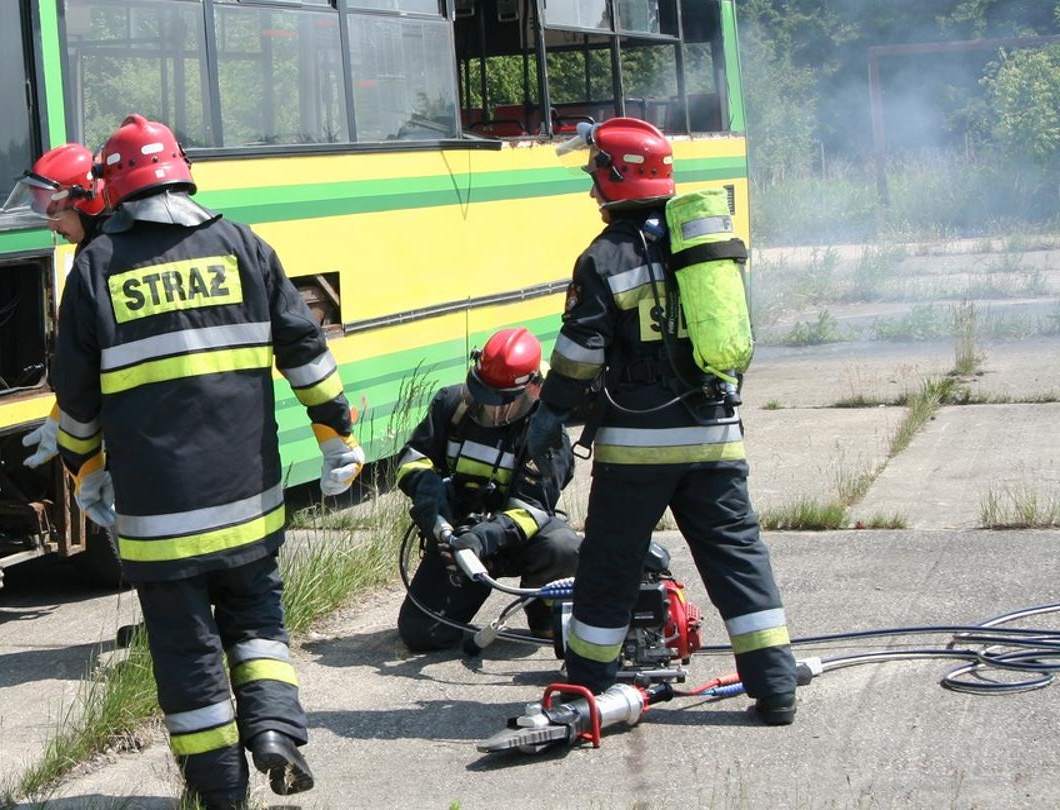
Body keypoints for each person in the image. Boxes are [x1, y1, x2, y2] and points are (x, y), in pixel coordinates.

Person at [50, 114, 363, 809]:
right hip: (249, 503)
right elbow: (307, 355)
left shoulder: (97, 269)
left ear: (114, 188)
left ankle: (222, 794)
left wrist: (84, 469)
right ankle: (277, 732)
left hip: (160, 521)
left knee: (188, 655)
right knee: (257, 624)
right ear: (180, 171)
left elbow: (75, 401)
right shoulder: (244, 246)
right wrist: (336, 434)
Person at [524, 117, 798, 725]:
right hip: (715, 438)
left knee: (610, 566)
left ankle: (587, 686)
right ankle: (776, 689)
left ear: (618, 177)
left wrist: (551, 414)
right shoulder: (702, 248)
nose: (592, 187)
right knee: (737, 559)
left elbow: (580, 356)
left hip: (638, 450)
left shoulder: (605, 256)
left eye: (597, 173)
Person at [394, 327, 580, 652]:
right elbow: (414, 458)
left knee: (561, 545)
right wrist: (426, 488)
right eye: (482, 396)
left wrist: (484, 538)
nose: (490, 409)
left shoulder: (546, 433)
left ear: (533, 389)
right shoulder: (451, 405)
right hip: (459, 541)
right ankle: (460, 599)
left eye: (502, 403)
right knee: (422, 634)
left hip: (517, 541)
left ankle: (545, 615)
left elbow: (532, 509)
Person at [11, 142, 108, 468]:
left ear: (85, 200)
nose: (51, 224)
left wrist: (87, 464)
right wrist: (60, 414)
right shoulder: (94, 247)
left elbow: (92, 366)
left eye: (53, 210)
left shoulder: (104, 257)